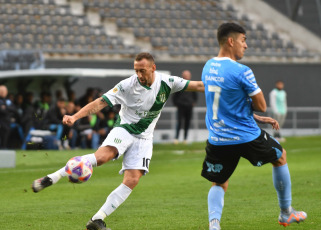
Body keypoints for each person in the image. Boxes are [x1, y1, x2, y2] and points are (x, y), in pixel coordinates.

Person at [31, 52, 205, 230]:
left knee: (132, 180)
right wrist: (75, 117)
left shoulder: (167, 83)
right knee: (102, 157)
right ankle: (53, 177)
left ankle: (97, 219)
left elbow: (199, 86)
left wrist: (226, 87)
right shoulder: (127, 85)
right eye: (136, 70)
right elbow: (100, 102)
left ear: (153, 68)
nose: (138, 75)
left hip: (144, 138)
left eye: (142, 71)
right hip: (125, 129)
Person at [201, 23, 306, 230]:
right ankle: (286, 213)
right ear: (231, 41)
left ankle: (214, 225)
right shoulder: (242, 71)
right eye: (243, 40)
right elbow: (262, 105)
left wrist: (253, 114)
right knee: (280, 156)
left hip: (218, 138)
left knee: (220, 182)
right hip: (246, 136)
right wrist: (258, 113)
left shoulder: (208, 66)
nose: (246, 45)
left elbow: (226, 102)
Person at [172, 70, 198, 144]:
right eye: (185, 75)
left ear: (190, 76)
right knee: (179, 122)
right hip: (180, 106)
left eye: (187, 75)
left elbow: (195, 96)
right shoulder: (179, 84)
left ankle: (185, 139)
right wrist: (176, 103)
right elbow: (174, 96)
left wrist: (193, 102)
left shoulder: (192, 85)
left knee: (187, 122)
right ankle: (176, 138)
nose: (186, 76)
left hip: (189, 106)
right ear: (182, 76)